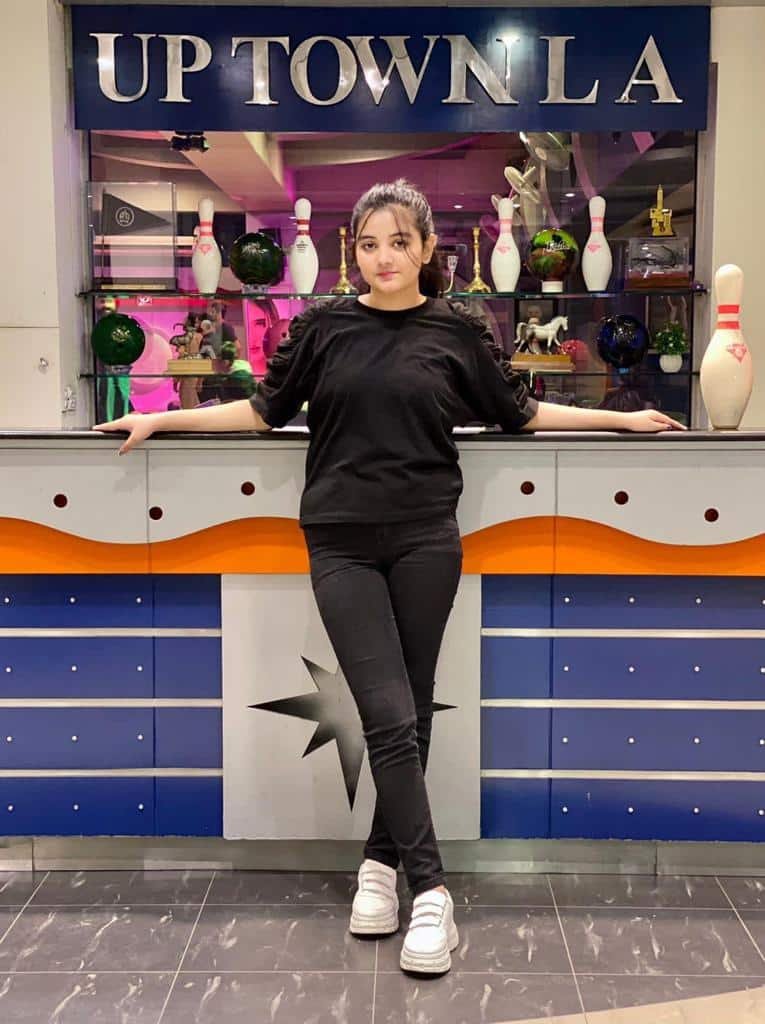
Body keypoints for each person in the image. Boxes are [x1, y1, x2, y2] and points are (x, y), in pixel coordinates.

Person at [94, 178, 683, 977]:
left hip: (426, 540)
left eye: (398, 242)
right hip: (337, 539)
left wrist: (622, 418)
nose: (382, 258)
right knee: (384, 710)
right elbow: (263, 410)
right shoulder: (324, 327)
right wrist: (162, 416)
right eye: (368, 243)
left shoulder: (456, 331)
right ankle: (432, 892)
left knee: (405, 709)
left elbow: (521, 413)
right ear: (354, 251)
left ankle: (378, 869)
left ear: (425, 249)